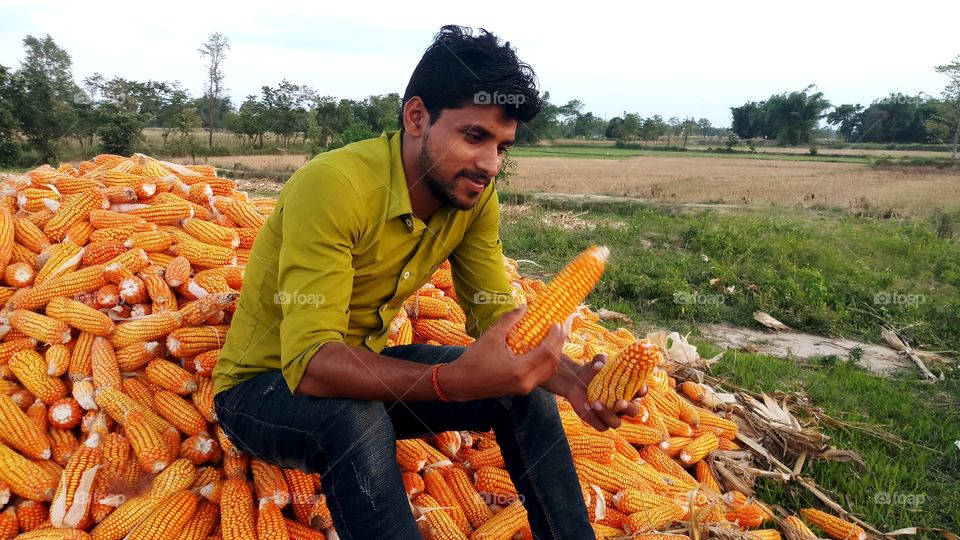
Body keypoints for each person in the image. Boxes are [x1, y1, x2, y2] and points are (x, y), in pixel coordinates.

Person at [212, 25, 638, 539]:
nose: (489, 165)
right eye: (474, 136)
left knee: (521, 392)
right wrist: (452, 381)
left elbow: (498, 319)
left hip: (363, 367)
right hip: (264, 386)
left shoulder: (473, 197)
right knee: (355, 420)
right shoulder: (334, 187)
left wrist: (571, 379)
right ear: (417, 117)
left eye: (502, 147)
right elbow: (312, 364)